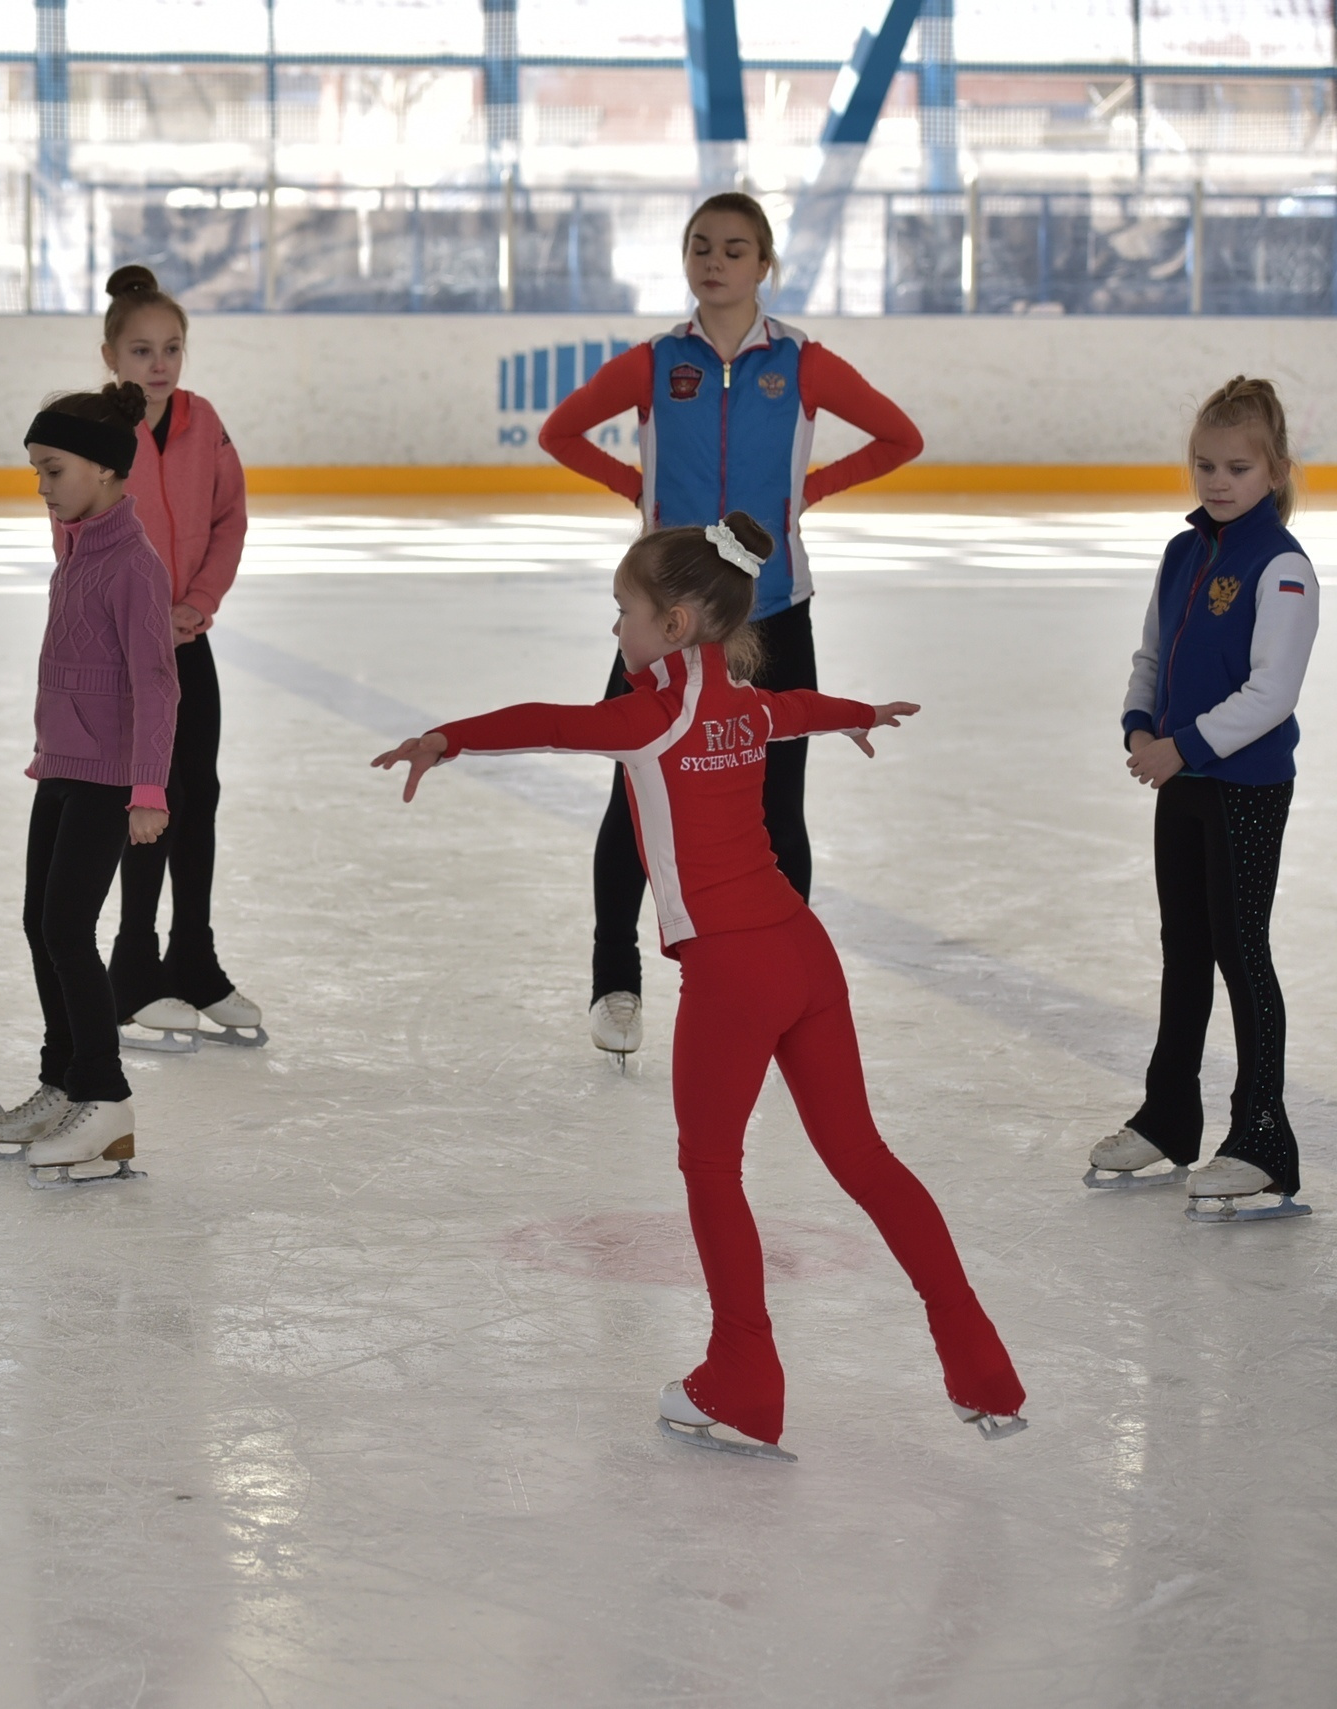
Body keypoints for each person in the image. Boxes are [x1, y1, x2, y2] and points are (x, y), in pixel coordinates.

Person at [371, 511, 1026, 1458]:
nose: (615, 631)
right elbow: (797, 710)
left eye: (624, 613)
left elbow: (554, 725)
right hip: (805, 953)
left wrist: (448, 738)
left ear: (676, 624)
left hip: (733, 972)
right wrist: (857, 714)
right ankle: (981, 1360)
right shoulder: (746, 704)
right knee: (864, 1159)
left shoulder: (654, 713)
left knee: (713, 1171)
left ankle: (744, 1380)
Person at [538, 192, 924, 1063]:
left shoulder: (804, 363)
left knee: (777, 806)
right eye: (702, 246)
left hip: (774, 604)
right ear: (685, 259)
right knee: (633, 796)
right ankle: (616, 980)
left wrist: (806, 495)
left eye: (736, 249)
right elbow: (561, 432)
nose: (717, 261)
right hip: (664, 615)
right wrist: (635, 491)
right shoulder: (652, 362)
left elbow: (901, 437)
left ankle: (782, 989)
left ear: (764, 266)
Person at [1086, 377, 1319, 1222]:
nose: (1218, 482)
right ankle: (1168, 1116)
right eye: (1204, 464)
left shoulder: (1282, 567)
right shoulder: (1185, 552)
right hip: (1181, 779)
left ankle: (1263, 1140)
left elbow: (1273, 693)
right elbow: (1152, 652)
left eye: (1237, 467)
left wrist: (1180, 747)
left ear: (1275, 470)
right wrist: (1140, 728)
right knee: (1183, 949)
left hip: (1244, 787)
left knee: (1239, 951)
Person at [0, 384, 180, 1185]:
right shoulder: (75, 543)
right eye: (35, 469)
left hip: (107, 781)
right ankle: (63, 1076)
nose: (41, 485)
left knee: (68, 929)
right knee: (40, 922)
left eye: (53, 469)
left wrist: (148, 791)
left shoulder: (133, 565)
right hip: (59, 766)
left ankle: (105, 1097)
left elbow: (157, 685)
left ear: (104, 471)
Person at [91, 265, 266, 1052]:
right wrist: (141, 619)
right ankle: (133, 967)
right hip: (124, 653)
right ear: (110, 355)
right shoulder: (92, 430)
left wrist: (198, 603)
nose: (158, 364)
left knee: (202, 792)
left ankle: (193, 956)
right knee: (149, 798)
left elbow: (229, 518)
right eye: (140, 350)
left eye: (171, 348)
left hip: (189, 639)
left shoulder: (203, 421)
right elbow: (78, 541)